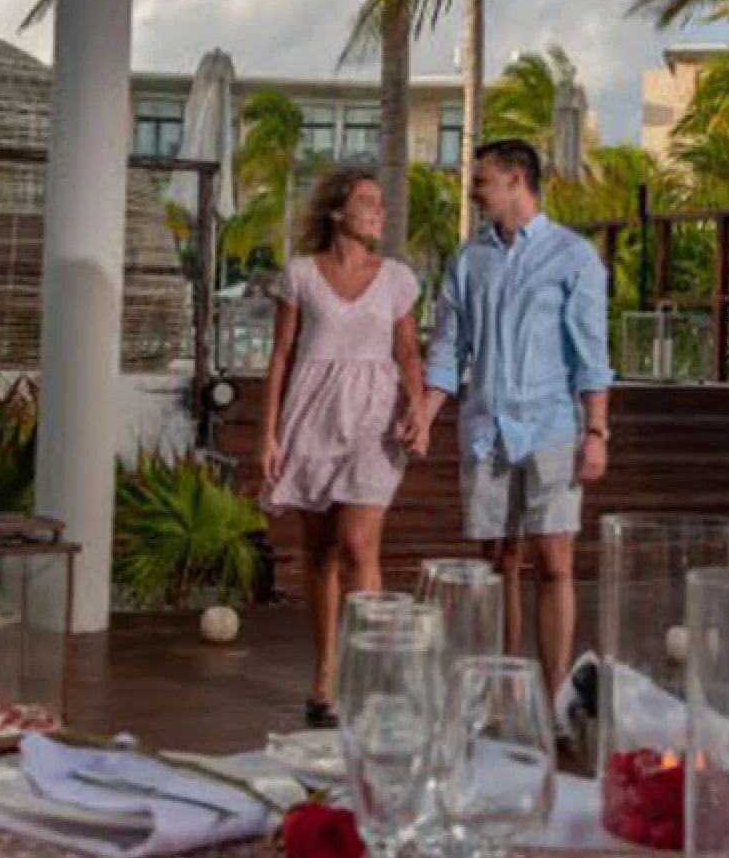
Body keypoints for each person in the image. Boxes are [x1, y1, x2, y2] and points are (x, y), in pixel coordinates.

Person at [421, 139, 611, 702]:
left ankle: (553, 697)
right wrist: (427, 414)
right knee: (498, 561)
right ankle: (501, 694)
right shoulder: (468, 260)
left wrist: (596, 431)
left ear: (515, 181)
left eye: (481, 181)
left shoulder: (573, 257)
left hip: (553, 428)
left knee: (554, 560)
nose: (474, 191)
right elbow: (448, 349)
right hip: (486, 429)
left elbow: (591, 354)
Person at [259, 168, 428, 727]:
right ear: (338, 213)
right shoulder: (301, 275)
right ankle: (326, 669)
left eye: (381, 204)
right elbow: (280, 355)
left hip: (374, 419)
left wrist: (418, 407)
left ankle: (370, 672)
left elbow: (408, 351)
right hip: (311, 415)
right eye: (367, 204)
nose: (379, 213)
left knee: (359, 545)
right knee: (321, 552)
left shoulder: (397, 278)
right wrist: (268, 432)